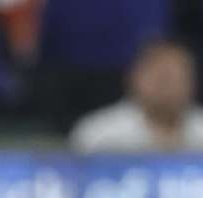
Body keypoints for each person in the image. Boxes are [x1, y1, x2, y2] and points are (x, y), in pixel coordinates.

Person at [69, 39, 203, 153]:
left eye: (178, 79)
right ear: (134, 78)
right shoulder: (98, 133)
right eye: (162, 79)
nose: (168, 88)